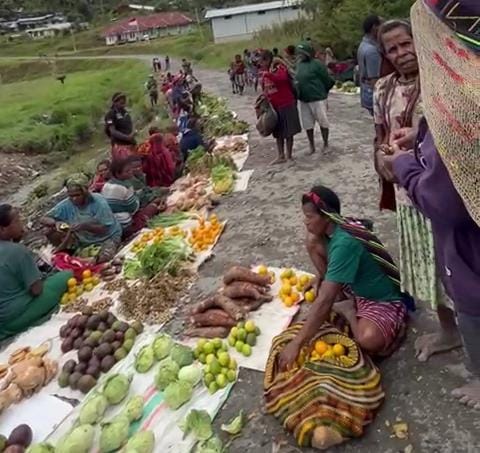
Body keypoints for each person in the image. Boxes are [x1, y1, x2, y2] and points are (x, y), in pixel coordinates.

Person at [385, 0, 480, 408]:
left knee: (471, 297)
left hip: (470, 240)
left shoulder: (463, 96)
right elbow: (446, 145)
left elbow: (444, 201)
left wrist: (404, 165)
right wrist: (423, 142)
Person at [278, 186, 411, 370]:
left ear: (326, 216)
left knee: (368, 340)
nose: (305, 222)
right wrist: (321, 276)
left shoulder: (344, 244)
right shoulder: (336, 227)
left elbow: (325, 300)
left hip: (380, 298)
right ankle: (338, 292)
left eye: (309, 217)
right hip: (356, 285)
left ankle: (349, 310)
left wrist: (297, 343)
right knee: (312, 240)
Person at [0, 205, 72, 340]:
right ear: (3, 229)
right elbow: (36, 290)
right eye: (16, 221)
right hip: (13, 317)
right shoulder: (17, 251)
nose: (21, 223)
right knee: (66, 276)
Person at [41, 174, 122, 263]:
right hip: (84, 240)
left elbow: (105, 229)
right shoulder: (66, 204)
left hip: (108, 237)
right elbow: (44, 218)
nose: (74, 199)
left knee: (104, 256)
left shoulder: (98, 202)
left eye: (77, 195)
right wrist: (55, 223)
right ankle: (66, 254)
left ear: (85, 192)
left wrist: (85, 226)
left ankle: (86, 260)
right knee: (48, 230)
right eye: (71, 196)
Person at [101, 157, 162, 237]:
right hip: (126, 226)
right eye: (127, 171)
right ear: (118, 174)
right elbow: (134, 208)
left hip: (114, 225)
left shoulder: (106, 185)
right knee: (153, 206)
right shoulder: (126, 186)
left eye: (130, 170)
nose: (131, 172)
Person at [260, 49, 301, 164]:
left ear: (267, 60)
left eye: (262, 62)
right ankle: (280, 156)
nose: (261, 65)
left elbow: (282, 79)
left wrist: (268, 75)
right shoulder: (266, 71)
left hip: (286, 104)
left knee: (288, 132)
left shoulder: (279, 68)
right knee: (278, 133)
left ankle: (289, 155)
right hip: (275, 107)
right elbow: (266, 87)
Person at [295, 41, 335, 154]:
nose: (300, 55)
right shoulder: (299, 65)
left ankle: (326, 144)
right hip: (304, 99)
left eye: (302, 53)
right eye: (299, 53)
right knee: (307, 124)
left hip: (318, 98)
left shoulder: (317, 64)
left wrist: (323, 92)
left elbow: (327, 80)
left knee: (323, 121)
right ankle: (311, 146)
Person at [357, 15, 382, 114]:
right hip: (373, 94)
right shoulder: (372, 51)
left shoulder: (363, 45)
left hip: (366, 92)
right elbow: (375, 80)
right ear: (374, 27)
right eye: (382, 24)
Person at [104, 92, 136, 160]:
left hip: (130, 143)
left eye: (124, 101)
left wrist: (133, 133)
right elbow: (113, 131)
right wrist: (127, 137)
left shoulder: (125, 113)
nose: (123, 102)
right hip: (119, 145)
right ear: (115, 102)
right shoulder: (110, 114)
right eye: (121, 101)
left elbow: (131, 125)